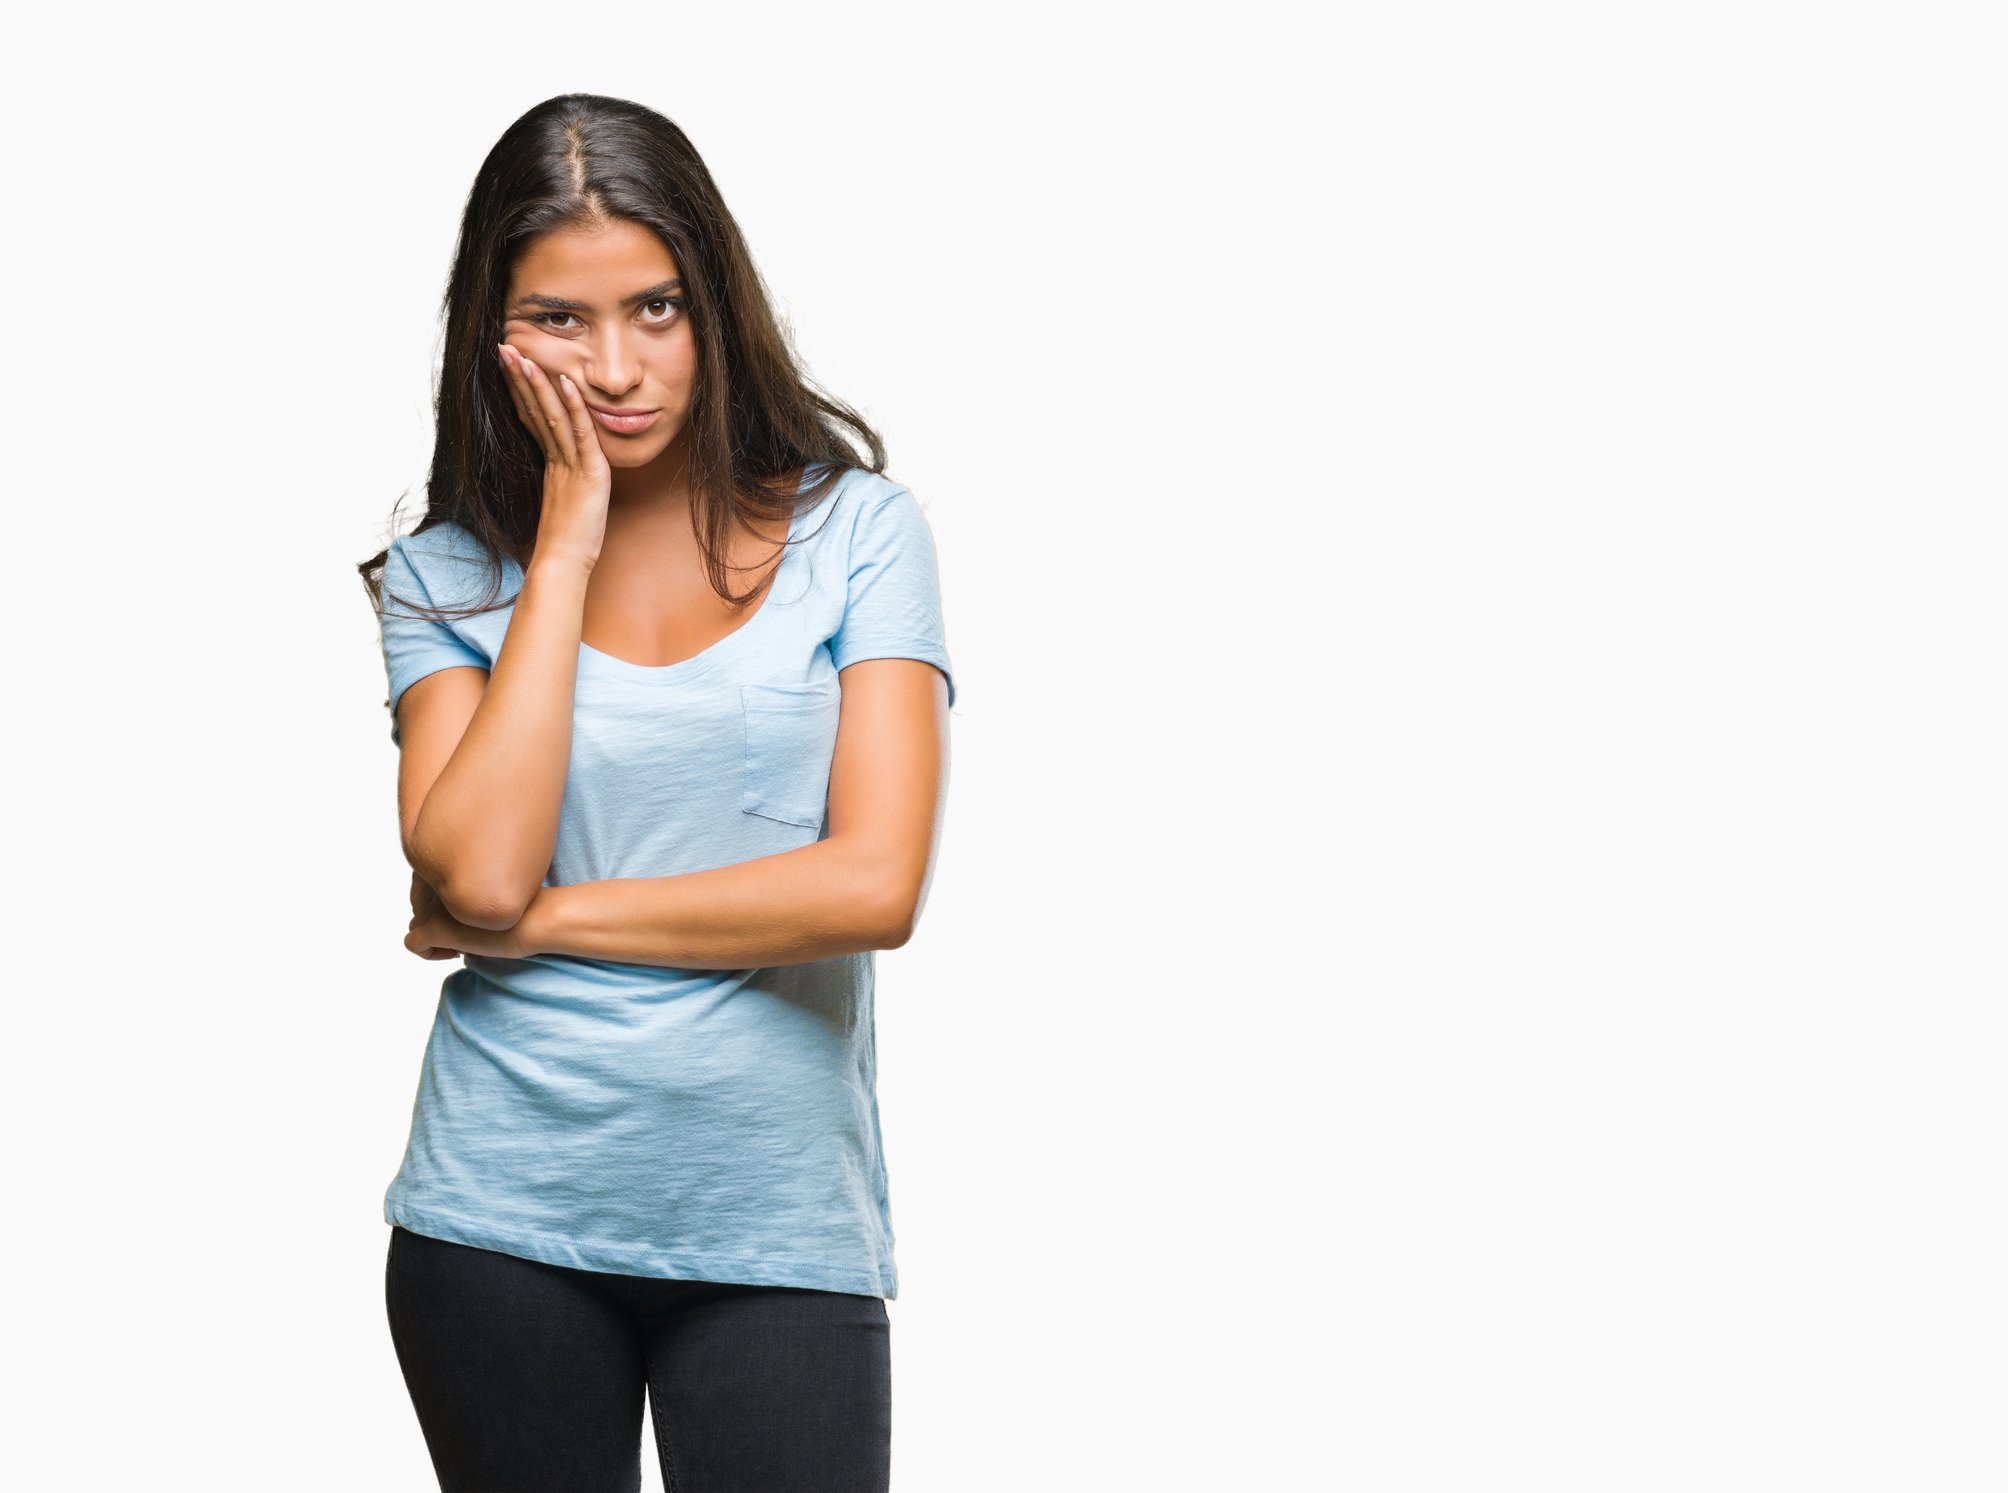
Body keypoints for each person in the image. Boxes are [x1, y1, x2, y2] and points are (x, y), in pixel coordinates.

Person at [357, 93, 954, 1493]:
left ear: (713, 306)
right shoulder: (447, 576)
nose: (617, 366)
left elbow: (874, 886)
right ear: (493, 332)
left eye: (656, 308)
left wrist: (541, 924)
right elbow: (479, 871)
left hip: (777, 1223)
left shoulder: (858, 533)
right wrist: (563, 546)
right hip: (498, 1220)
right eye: (560, 319)